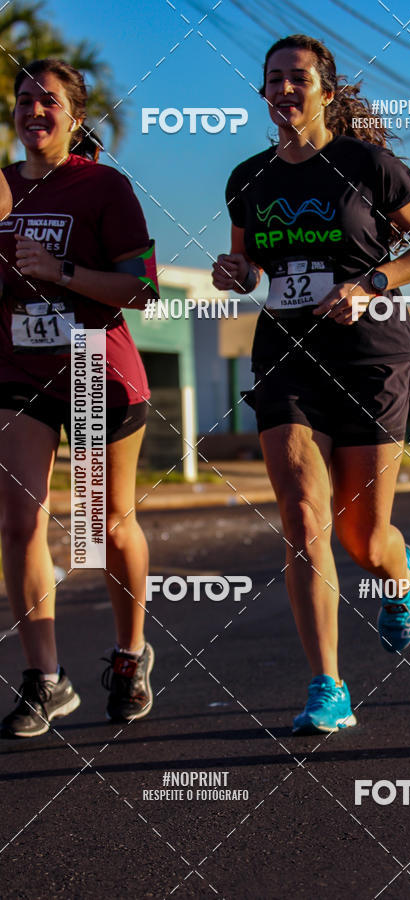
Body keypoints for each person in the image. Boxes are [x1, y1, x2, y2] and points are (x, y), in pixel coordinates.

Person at [213, 35, 410, 735]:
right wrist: (237, 274)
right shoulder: (247, 178)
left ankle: (398, 570)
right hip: (287, 351)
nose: (286, 90)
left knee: (361, 537)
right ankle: (329, 684)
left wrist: (373, 282)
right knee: (300, 517)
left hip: (371, 354)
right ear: (263, 92)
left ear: (325, 89)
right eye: (274, 80)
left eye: (298, 79)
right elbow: (246, 264)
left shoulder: (368, 165)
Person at [0, 58, 160, 738]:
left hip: (98, 368)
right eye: (25, 99)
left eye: (50, 102)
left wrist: (58, 270)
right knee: (19, 521)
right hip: (19, 370)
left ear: (75, 115)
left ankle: (130, 656)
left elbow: (141, 289)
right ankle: (46, 678)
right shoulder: (1, 189)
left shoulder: (103, 186)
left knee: (104, 525)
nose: (36, 111)